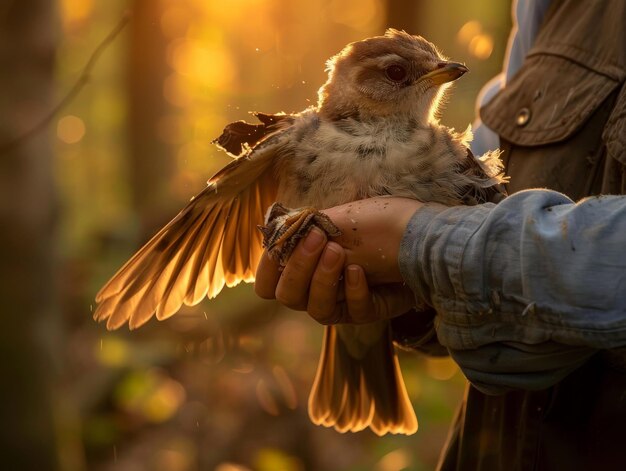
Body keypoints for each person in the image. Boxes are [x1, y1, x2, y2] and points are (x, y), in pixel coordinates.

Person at [255, 0, 626, 469]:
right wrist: (414, 294)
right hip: (497, 441)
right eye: (397, 74)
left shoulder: (438, 149)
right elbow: (489, 223)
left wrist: (418, 245)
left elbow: (475, 224)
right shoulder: (546, 6)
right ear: (354, 86)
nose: (440, 76)